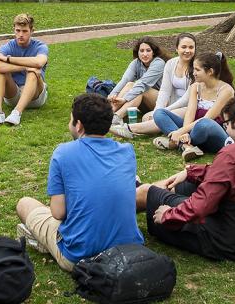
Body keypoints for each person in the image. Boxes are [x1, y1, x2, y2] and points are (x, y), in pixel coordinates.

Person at [136, 88, 235, 261]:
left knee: (148, 192)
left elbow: (202, 205)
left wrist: (169, 215)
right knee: (182, 183)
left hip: (223, 241)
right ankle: (139, 192)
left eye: (226, 123)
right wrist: (191, 172)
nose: (226, 128)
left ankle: (113, 211)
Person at [15, 93, 144, 272]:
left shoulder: (63, 153)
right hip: (129, 249)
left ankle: (44, 240)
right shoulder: (127, 151)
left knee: (25, 204)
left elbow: (58, 213)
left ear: (79, 126)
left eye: (71, 119)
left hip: (80, 255)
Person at [151, 51, 235, 162]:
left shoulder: (226, 90)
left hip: (213, 133)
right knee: (159, 113)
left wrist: (180, 132)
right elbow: (190, 112)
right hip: (193, 130)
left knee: (204, 124)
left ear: (210, 71)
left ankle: (177, 143)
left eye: (197, 70)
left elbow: (209, 118)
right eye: (194, 69)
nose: (193, 73)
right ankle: (186, 146)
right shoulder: (195, 86)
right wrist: (184, 133)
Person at [111, 33, 196, 139]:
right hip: (168, 103)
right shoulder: (171, 64)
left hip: (187, 107)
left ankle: (128, 129)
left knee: (141, 90)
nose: (187, 50)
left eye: (191, 47)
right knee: (145, 117)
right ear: (177, 48)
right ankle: (110, 113)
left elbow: (187, 99)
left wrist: (165, 111)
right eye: (184, 47)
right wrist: (112, 95)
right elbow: (165, 91)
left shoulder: (197, 66)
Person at [0, 13, 49, 127]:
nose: (21, 34)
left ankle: (17, 113)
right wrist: (24, 66)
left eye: (25, 31)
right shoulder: (8, 46)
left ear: (32, 31)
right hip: (13, 94)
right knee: (1, 72)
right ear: (14, 30)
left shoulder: (40, 46)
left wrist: (7, 59)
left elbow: (39, 62)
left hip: (35, 97)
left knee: (33, 71)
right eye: (18, 30)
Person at [106, 37, 166, 118]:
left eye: (148, 50)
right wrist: (112, 95)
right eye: (141, 51)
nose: (145, 54)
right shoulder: (136, 63)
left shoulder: (159, 63)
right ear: (137, 52)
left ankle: (116, 116)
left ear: (153, 52)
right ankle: (108, 112)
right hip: (145, 103)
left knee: (140, 89)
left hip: (162, 103)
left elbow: (143, 84)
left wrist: (125, 99)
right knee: (130, 84)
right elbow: (125, 80)